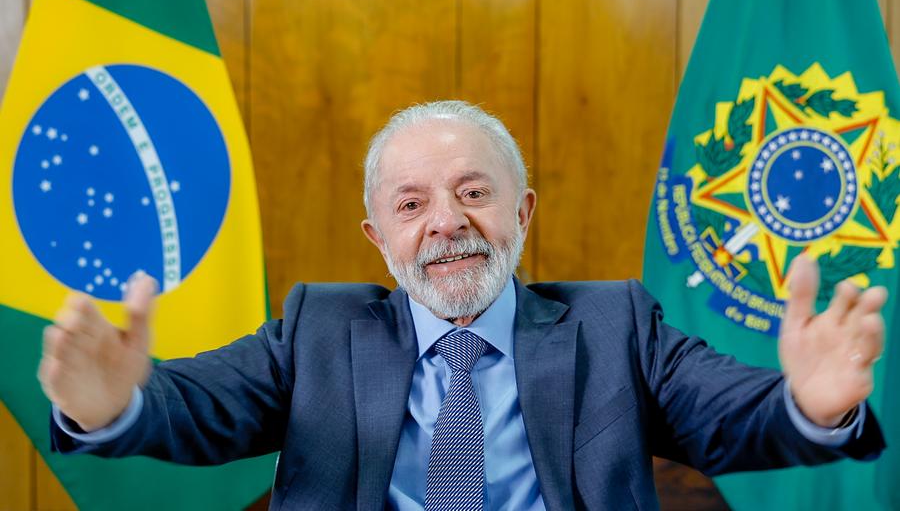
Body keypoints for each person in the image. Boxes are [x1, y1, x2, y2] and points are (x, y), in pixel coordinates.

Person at [41, 101, 886, 510]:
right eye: (412, 206)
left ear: (521, 215)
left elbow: (730, 416)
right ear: (379, 238)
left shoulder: (614, 323)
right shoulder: (318, 327)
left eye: (474, 192)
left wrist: (807, 405)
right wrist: (116, 405)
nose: (447, 222)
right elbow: (198, 409)